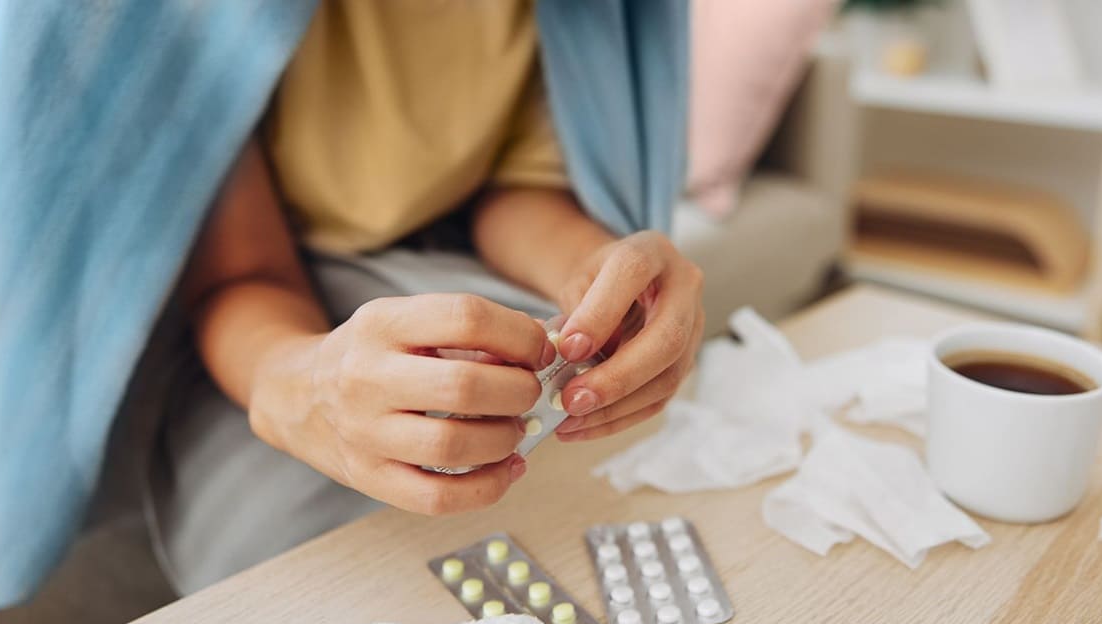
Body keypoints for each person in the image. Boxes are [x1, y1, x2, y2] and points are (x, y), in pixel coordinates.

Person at [145, 0, 703, 592]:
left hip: (438, 261)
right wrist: (304, 385)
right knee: (314, 567)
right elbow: (241, 276)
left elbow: (511, 187)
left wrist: (595, 267)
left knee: (608, 472)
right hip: (252, 326)